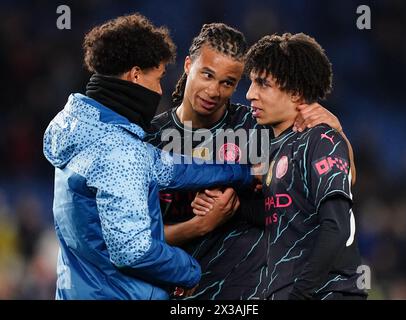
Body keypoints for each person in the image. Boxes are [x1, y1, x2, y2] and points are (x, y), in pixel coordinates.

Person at [42, 14, 253, 300]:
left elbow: (170, 168)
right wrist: (189, 270)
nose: (160, 90)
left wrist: (240, 173)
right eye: (159, 77)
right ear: (136, 75)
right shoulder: (119, 151)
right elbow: (133, 250)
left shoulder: (85, 131)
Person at [145, 23, 354, 299]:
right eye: (207, 75)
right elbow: (134, 240)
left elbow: (343, 177)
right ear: (187, 66)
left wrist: (336, 129)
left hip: (251, 292)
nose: (213, 91)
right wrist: (199, 225)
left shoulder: (256, 125)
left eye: (227, 83)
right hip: (183, 292)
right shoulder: (150, 139)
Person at [243, 32, 367, 299]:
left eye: (263, 84)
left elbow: (336, 227)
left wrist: (301, 295)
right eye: (252, 82)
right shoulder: (270, 148)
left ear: (296, 92)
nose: (250, 93)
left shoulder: (321, 139)